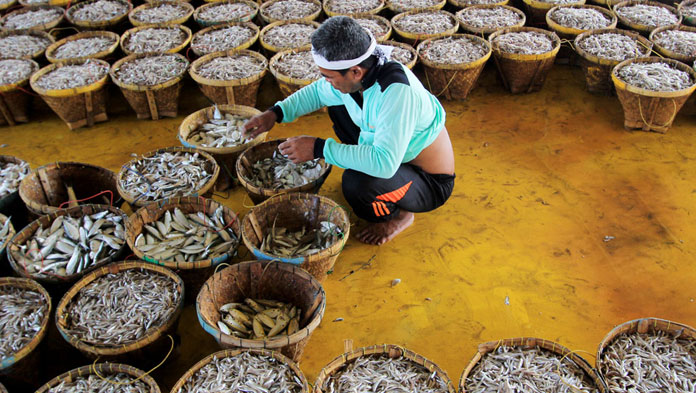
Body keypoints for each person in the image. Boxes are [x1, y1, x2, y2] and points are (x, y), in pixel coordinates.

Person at [243, 16, 455, 245]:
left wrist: (319, 148)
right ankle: (385, 188)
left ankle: (399, 216)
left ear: (355, 72)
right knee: (339, 109)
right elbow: (317, 92)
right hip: (395, 155)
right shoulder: (360, 76)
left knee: (358, 186)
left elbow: (384, 164)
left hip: (427, 181)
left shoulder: (397, 93)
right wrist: (274, 114)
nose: (326, 81)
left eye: (329, 77)